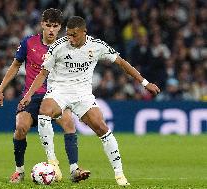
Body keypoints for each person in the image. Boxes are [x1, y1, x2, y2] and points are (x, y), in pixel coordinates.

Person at [19, 16, 161, 186]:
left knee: (102, 128)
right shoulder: (58, 46)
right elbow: (43, 74)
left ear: (84, 32)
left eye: (74, 35)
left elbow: (122, 63)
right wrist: (28, 95)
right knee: (44, 113)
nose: (70, 38)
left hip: (83, 95)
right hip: (59, 91)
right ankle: (53, 161)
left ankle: (120, 175)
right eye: (68, 34)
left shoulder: (97, 46)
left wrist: (145, 83)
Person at [0, 10, 90, 183]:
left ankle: (75, 169)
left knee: (68, 122)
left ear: (60, 27)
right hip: (32, 96)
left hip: (56, 96)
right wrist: (1, 88)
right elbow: (15, 66)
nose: (52, 30)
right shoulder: (28, 42)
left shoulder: (67, 47)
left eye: (55, 26)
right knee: (21, 127)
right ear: (42, 25)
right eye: (48, 25)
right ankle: (19, 171)